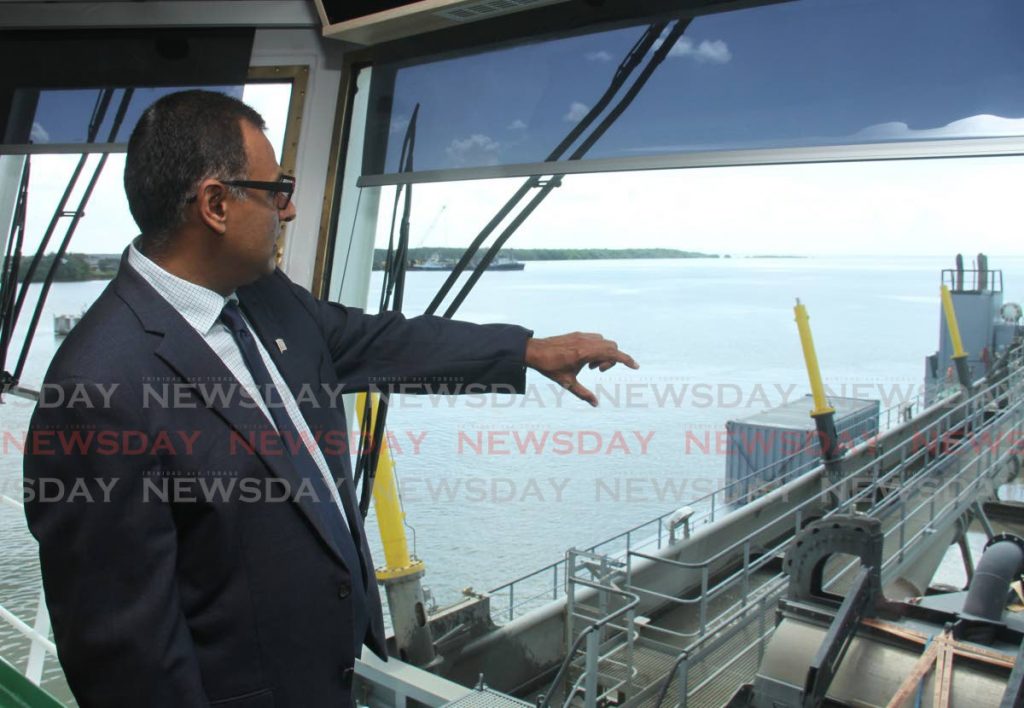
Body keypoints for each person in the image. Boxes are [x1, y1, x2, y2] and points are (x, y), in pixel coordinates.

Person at [23, 90, 637, 708]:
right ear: (215, 204)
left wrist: (526, 352)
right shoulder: (96, 389)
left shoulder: (264, 299)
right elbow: (130, 663)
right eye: (275, 190)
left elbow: (383, 341)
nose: (287, 212)